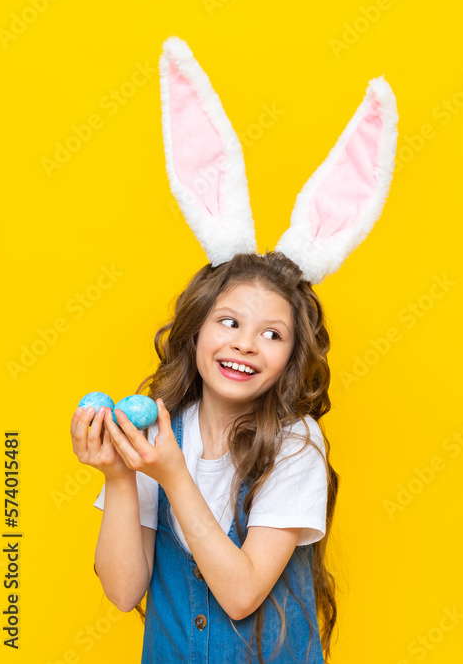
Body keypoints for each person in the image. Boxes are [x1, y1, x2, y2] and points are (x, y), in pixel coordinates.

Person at [70, 35, 398, 664]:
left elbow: (243, 593)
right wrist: (119, 475)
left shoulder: (296, 444)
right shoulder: (161, 429)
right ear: (196, 330)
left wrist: (171, 474)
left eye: (273, 334)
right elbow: (123, 590)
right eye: (229, 322)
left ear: (292, 358)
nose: (246, 343)